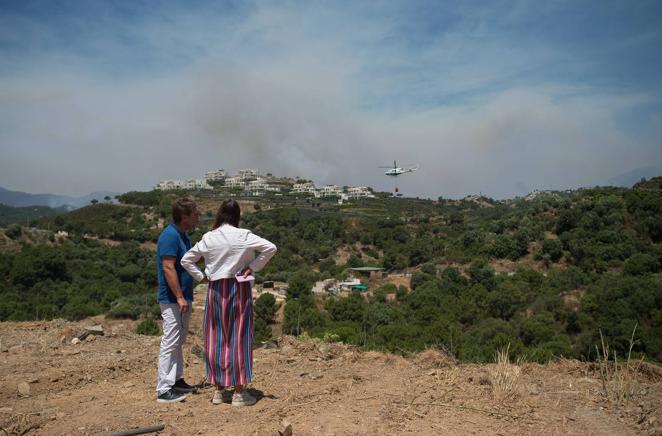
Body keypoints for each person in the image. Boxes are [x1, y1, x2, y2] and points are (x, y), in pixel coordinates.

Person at [181, 199, 276, 406]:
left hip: (215, 290)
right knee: (238, 337)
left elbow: (186, 260)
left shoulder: (209, 237)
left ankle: (219, 390)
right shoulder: (244, 235)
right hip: (239, 288)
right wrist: (252, 266)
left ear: (220, 214)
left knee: (216, 338)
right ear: (237, 215)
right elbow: (270, 248)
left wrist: (201, 276)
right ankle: (239, 393)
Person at [155, 197, 200, 403]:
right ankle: (164, 389)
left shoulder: (183, 235)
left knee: (179, 340)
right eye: (194, 214)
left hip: (182, 298)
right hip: (173, 299)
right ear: (184, 217)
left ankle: (176, 380)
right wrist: (180, 297)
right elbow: (168, 267)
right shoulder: (170, 236)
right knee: (170, 340)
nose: (197, 217)